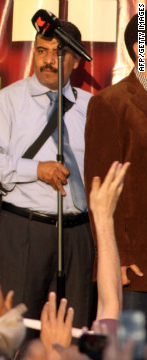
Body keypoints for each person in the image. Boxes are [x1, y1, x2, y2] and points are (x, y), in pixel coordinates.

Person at [0, 20, 94, 328]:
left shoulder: (92, 107)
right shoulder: (9, 102)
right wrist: (34, 169)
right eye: (41, 51)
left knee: (74, 331)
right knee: (15, 331)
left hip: (79, 234)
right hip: (23, 230)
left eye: (58, 53)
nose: (48, 60)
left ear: (76, 60)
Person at [85, 13, 147, 314]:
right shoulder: (110, 104)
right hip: (135, 268)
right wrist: (117, 257)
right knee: (130, 352)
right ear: (140, 48)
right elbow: (99, 188)